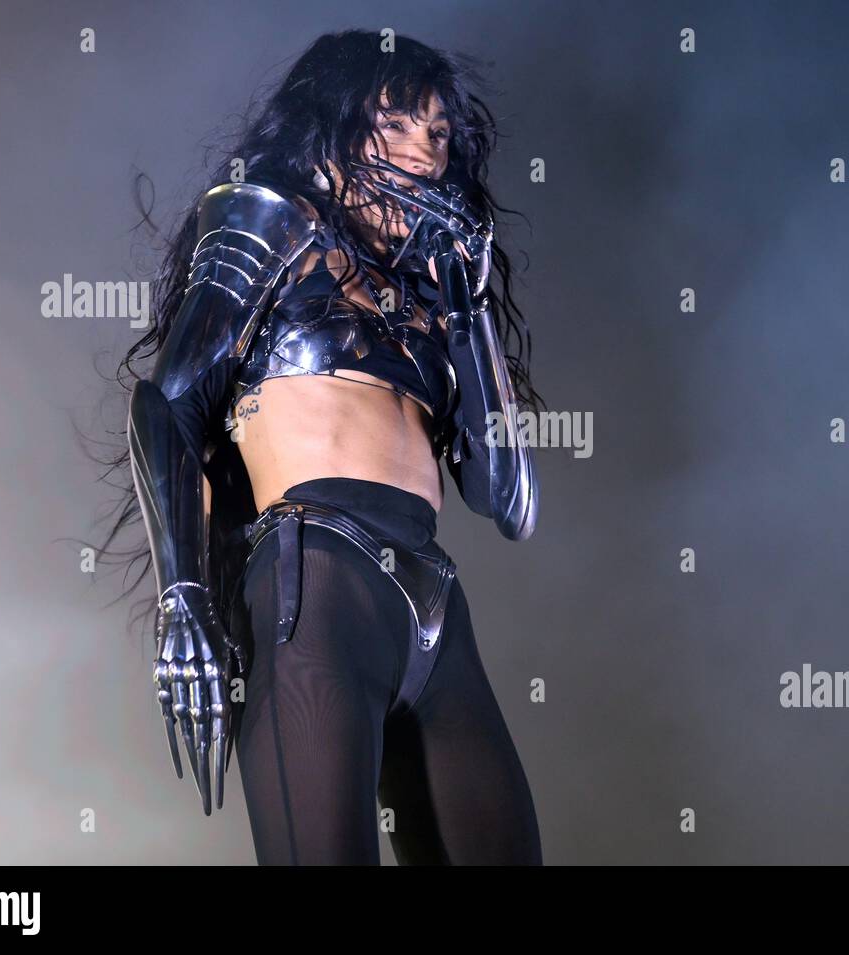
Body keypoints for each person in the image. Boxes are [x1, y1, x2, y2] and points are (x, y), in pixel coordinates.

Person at [118, 29, 542, 865]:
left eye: (438, 133)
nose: (424, 148)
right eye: (397, 122)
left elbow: (510, 501)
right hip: (319, 584)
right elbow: (164, 404)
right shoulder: (267, 220)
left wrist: (467, 309)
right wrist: (184, 603)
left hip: (434, 608)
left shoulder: (430, 301)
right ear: (333, 126)